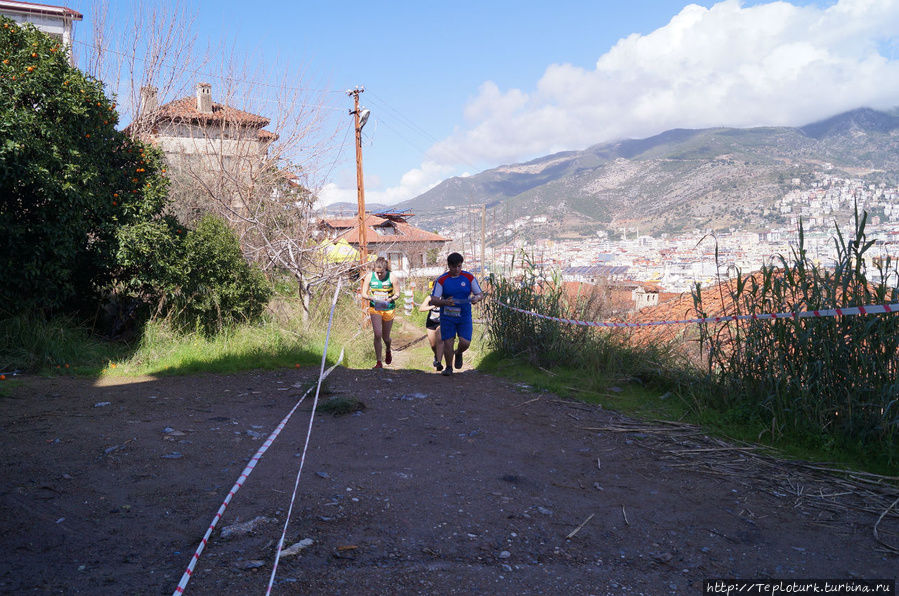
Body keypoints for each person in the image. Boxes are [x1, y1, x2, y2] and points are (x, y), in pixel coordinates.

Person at [429, 252, 484, 376]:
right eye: (454, 267)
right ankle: (449, 367)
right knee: (448, 342)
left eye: (459, 266)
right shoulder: (442, 280)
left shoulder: (468, 278)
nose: (457, 269)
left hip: (464, 316)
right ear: (449, 266)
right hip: (447, 316)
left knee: (465, 342)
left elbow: (480, 294)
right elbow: (434, 299)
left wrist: (477, 298)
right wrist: (444, 302)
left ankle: (458, 353)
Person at [361, 257, 399, 369]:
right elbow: (363, 293)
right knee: (377, 334)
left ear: (385, 269)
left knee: (385, 337)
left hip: (388, 308)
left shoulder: (392, 277)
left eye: (381, 273)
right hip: (375, 307)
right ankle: (379, 361)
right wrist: (370, 298)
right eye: (377, 273)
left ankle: (388, 349)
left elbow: (397, 294)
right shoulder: (369, 277)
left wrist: (390, 299)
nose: (379, 275)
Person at [419, 282, 444, 371]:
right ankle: (436, 356)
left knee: (440, 340)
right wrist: (433, 306)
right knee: (433, 344)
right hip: (431, 323)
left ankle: (439, 362)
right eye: (434, 288)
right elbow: (421, 308)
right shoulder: (430, 297)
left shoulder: (445, 298)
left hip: (441, 323)